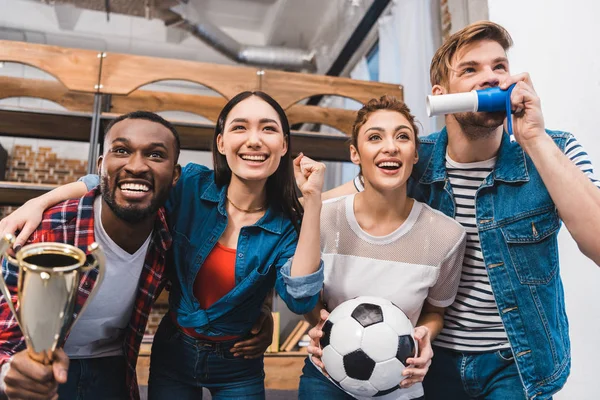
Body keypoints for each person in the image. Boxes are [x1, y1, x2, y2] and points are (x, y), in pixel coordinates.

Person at [318, 21, 600, 400]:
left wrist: (534, 138)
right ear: (442, 93)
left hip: (516, 364)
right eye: (470, 70)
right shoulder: (415, 158)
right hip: (430, 358)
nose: (491, 79)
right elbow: (330, 202)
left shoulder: (555, 149)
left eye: (499, 67)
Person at [1, 91, 326, 399]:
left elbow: (299, 298)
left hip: (238, 361)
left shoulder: (287, 226)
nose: (254, 139)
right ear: (221, 142)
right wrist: (39, 202)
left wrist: (311, 202)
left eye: (268, 129)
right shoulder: (190, 186)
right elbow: (116, 183)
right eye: (240, 127)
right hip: (176, 348)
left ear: (284, 145)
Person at [0, 111, 182, 400]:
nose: (136, 166)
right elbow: (5, 338)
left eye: (156, 155)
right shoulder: (48, 230)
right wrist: (9, 372)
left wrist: (259, 315)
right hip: (43, 367)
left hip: (113, 368)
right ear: (101, 166)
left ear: (175, 175)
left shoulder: (170, 234)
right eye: (121, 150)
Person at [299, 96, 467, 400]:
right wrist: (316, 325)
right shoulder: (322, 218)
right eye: (375, 137)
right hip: (324, 381)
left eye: (402, 136)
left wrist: (425, 335)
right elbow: (305, 297)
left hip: (402, 387)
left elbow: (435, 312)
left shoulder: (446, 236)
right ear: (355, 153)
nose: (390, 146)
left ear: (415, 154)